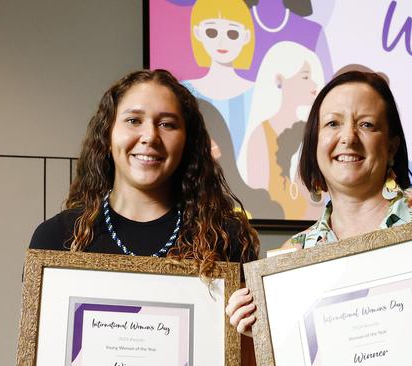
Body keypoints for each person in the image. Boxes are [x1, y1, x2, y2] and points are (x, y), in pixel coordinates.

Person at [226, 71, 412, 365]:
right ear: (315, 143)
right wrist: (259, 339)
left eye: (367, 125)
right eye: (332, 123)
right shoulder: (291, 262)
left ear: (391, 146)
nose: (348, 138)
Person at [30, 69, 259, 279]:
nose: (150, 136)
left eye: (167, 124)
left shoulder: (227, 238)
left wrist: (246, 323)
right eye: (133, 121)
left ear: (187, 142)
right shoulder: (56, 238)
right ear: (107, 135)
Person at [238, 41, 324, 218]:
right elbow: (260, 199)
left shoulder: (315, 132)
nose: (314, 84)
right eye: (305, 77)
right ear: (280, 79)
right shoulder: (261, 135)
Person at [183, 0, 256, 159]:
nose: (222, 42)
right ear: (198, 32)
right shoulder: (183, 92)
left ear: (246, 36)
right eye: (212, 32)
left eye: (232, 33)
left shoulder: (258, 92)